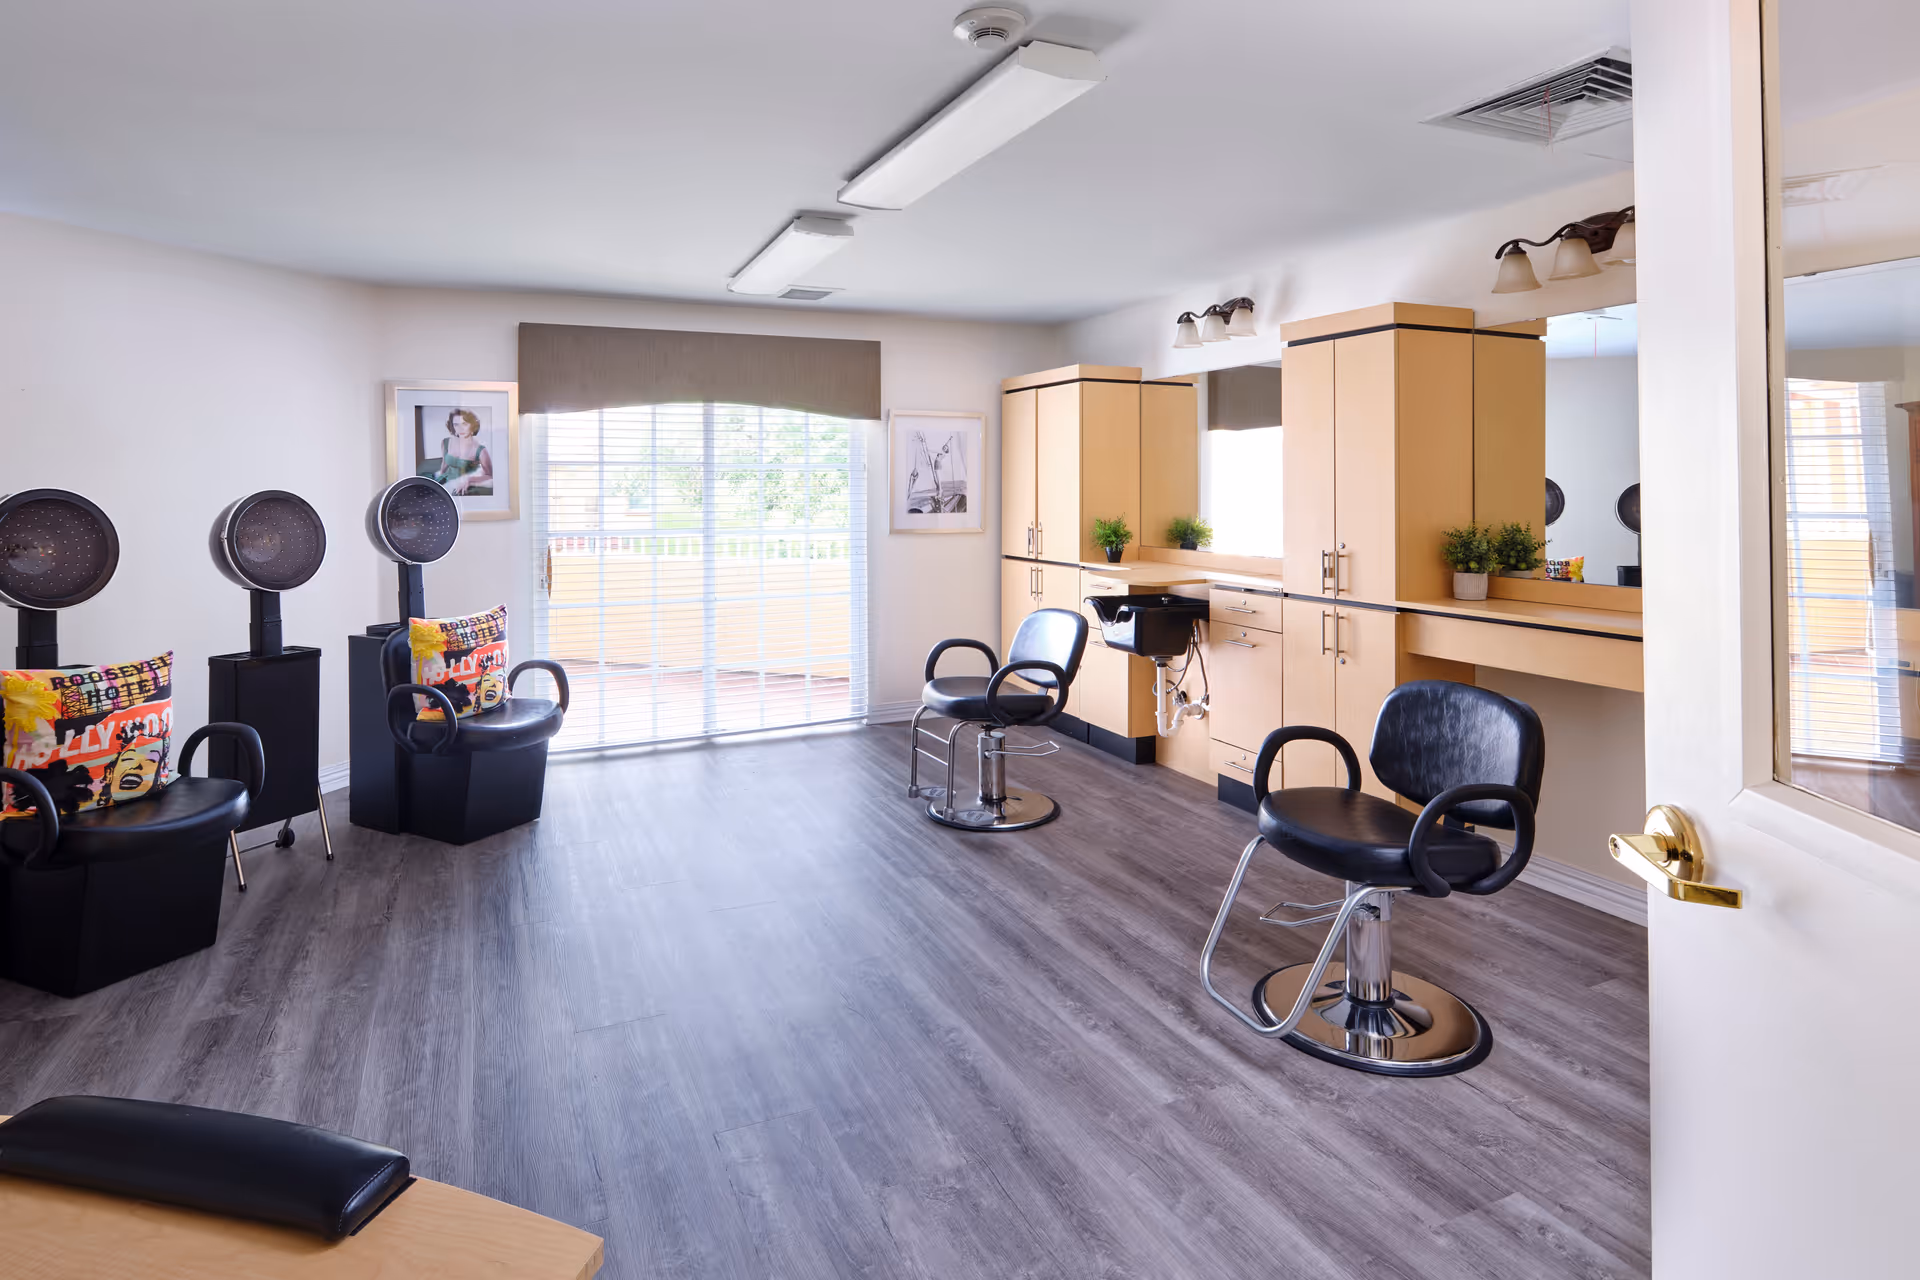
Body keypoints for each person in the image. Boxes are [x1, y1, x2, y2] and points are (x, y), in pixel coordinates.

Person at [432, 409, 493, 495]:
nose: (460, 429)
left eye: (464, 424)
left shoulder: (481, 450)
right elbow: (444, 464)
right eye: (456, 425)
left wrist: (470, 480)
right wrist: (438, 481)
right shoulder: (445, 442)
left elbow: (489, 475)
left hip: (461, 485)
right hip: (444, 481)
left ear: (472, 425)